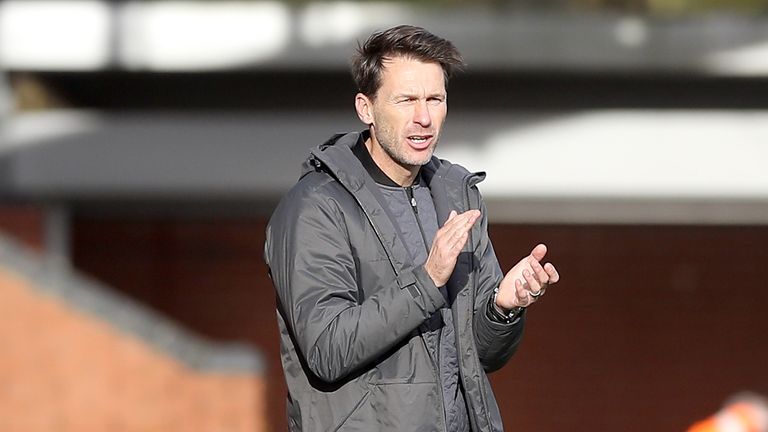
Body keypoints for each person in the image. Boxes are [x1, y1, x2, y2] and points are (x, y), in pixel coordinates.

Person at [264, 24, 560, 432]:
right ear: (365, 108)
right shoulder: (315, 207)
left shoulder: (459, 197)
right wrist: (427, 280)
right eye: (406, 100)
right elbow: (326, 350)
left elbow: (481, 357)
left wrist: (502, 308)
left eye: (435, 99)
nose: (424, 118)